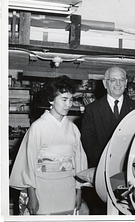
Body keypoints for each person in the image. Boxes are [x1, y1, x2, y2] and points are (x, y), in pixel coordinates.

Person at [10, 75, 88, 215]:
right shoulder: (38, 127)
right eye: (64, 99)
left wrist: (78, 191)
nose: (69, 105)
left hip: (67, 187)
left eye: (71, 100)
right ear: (51, 99)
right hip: (42, 187)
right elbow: (28, 163)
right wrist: (31, 195)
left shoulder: (73, 129)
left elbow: (80, 161)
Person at [80, 66, 135, 214]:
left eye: (121, 80)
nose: (118, 84)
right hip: (101, 175)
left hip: (128, 175)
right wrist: (106, 165)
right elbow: (88, 142)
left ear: (126, 83)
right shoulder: (92, 110)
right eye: (113, 80)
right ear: (105, 83)